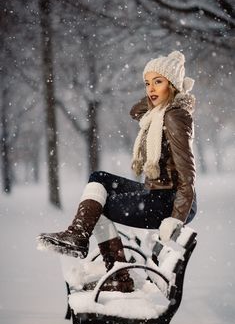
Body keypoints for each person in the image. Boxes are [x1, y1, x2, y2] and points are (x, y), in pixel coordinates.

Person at [37, 50, 197, 293]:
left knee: (98, 207)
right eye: (147, 83)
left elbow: (188, 174)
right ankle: (78, 236)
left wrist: (176, 218)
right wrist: (163, 94)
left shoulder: (174, 117)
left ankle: (117, 274)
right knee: (99, 179)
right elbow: (136, 111)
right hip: (155, 190)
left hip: (169, 200)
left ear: (172, 85)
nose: (151, 89)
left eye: (158, 82)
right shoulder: (159, 114)